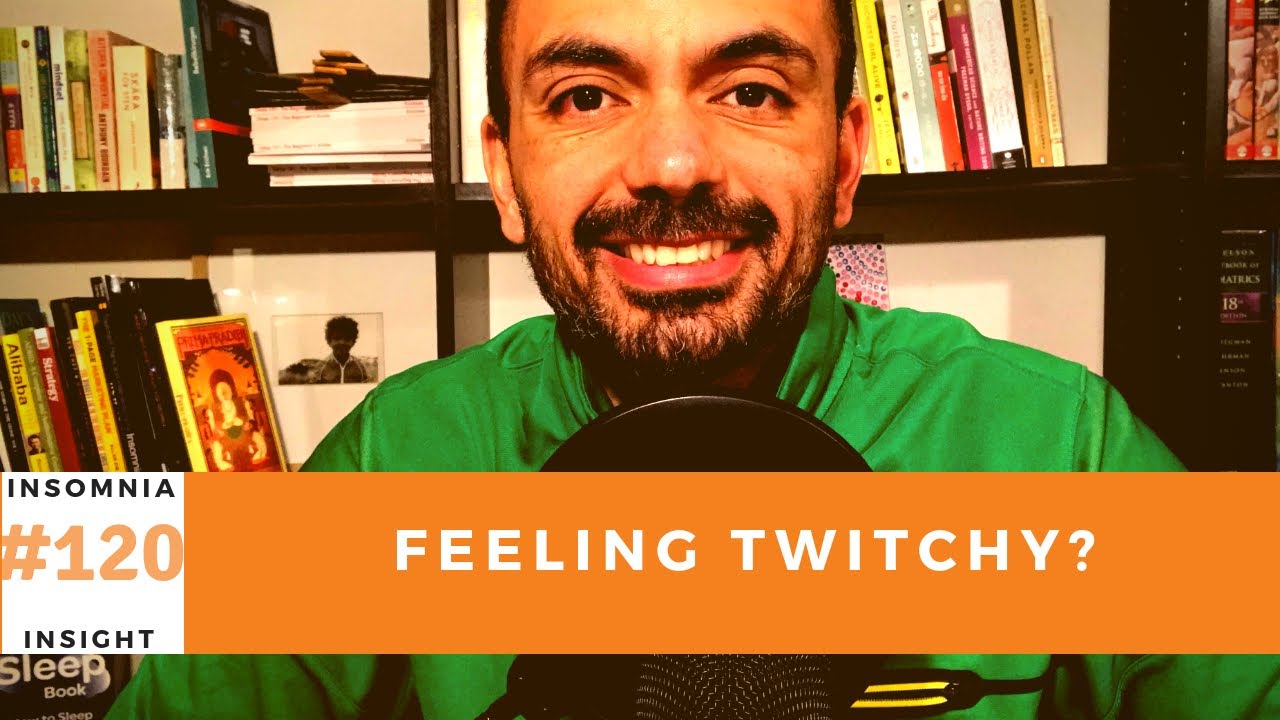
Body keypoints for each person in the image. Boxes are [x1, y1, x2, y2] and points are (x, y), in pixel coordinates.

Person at [107, 0, 1278, 717]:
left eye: (751, 89)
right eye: (584, 95)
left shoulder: (1056, 444)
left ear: (844, 159)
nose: (671, 163)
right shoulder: (396, 458)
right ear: (504, 175)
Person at [278, 316, 378, 385]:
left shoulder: (360, 368)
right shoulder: (320, 368)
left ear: (353, 342)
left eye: (347, 339)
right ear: (329, 341)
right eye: (337, 338)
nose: (342, 342)